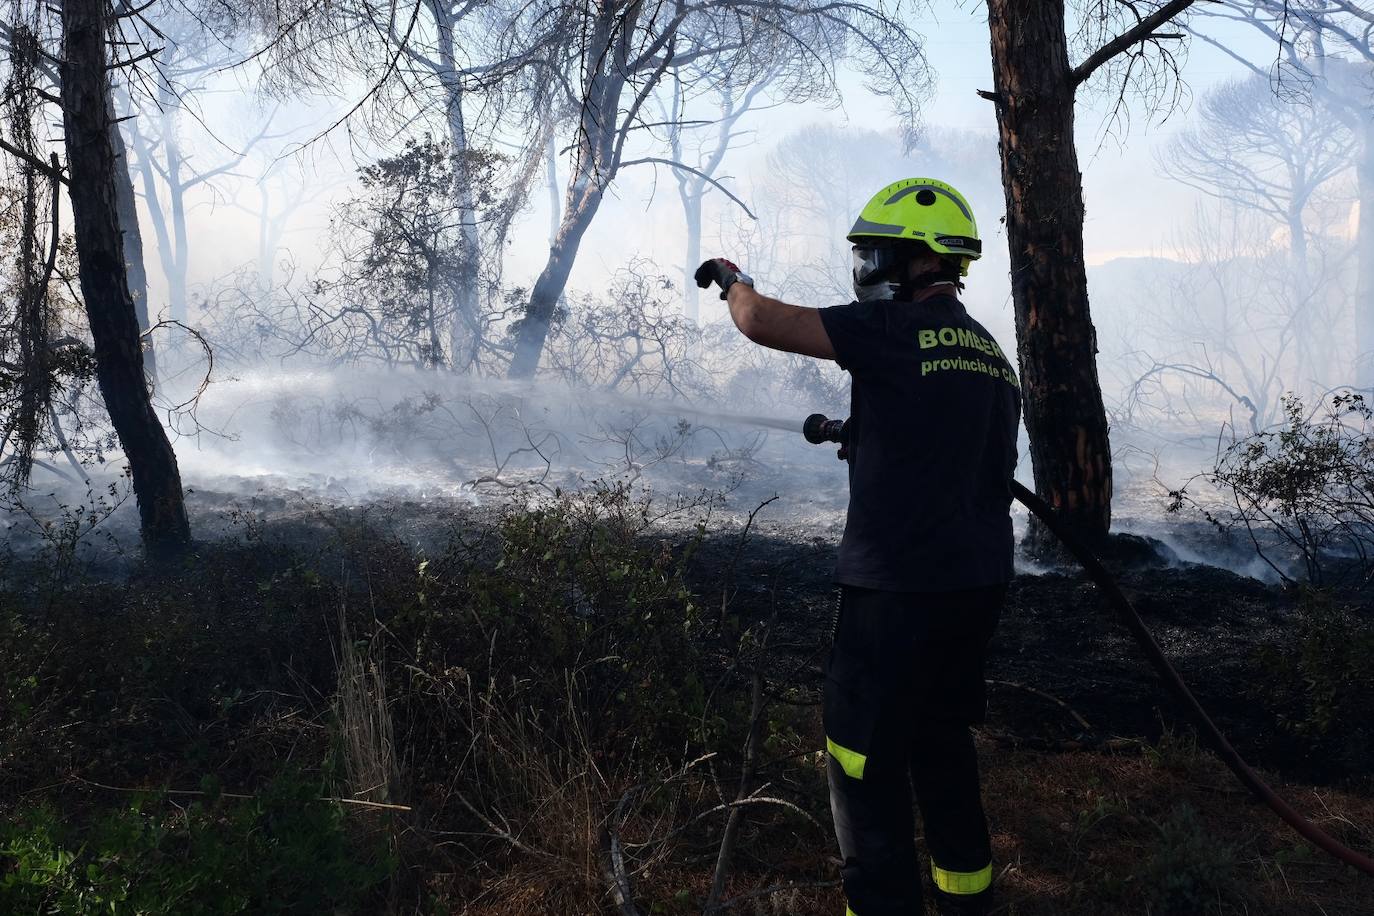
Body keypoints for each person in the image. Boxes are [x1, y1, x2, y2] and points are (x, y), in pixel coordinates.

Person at [695, 178, 1021, 916]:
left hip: (894, 596)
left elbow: (760, 323)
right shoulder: (991, 355)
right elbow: (949, 450)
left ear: (911, 261)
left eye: (877, 253)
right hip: (974, 590)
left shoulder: (888, 333)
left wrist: (734, 279)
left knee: (862, 762)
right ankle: (968, 901)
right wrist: (862, 435)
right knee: (941, 742)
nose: (868, 267)